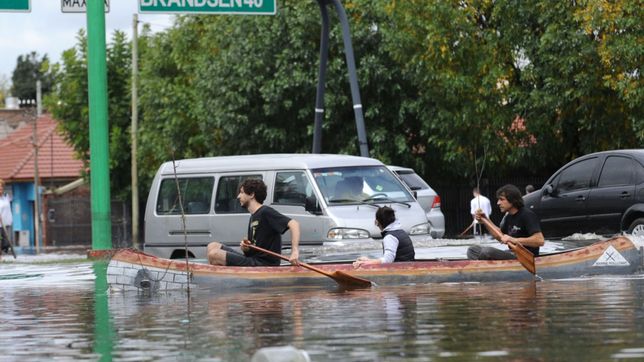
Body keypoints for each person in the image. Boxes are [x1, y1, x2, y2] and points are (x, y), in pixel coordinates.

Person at [207, 179, 300, 266]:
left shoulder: (265, 212)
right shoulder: (253, 216)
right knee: (212, 246)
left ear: (251, 194)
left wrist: (294, 251)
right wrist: (246, 248)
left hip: (263, 264)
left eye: (242, 192)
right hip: (253, 259)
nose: (238, 196)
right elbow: (253, 250)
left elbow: (294, 224)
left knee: (214, 254)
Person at [467, 184, 544, 260]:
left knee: (487, 251)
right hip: (512, 253)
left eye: (501, 199)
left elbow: (539, 240)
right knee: (472, 250)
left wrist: (513, 240)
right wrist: (485, 220)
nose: (498, 203)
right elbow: (500, 236)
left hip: (526, 256)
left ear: (512, 200)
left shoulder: (527, 215)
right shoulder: (508, 217)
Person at [0, 179, 13, 253]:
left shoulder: (6, 197)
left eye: (1, 187)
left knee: (6, 242)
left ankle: (3, 253)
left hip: (7, 222)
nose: (0, 189)